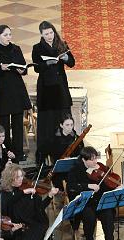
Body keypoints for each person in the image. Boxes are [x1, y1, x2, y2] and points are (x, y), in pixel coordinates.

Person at [0, 164, 61, 240]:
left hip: (32, 223)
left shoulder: (26, 190)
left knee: (43, 233)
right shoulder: (4, 194)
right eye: (18, 177)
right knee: (32, 237)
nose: (21, 179)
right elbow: (6, 207)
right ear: (9, 179)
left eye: (21, 176)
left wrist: (50, 196)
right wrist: (23, 193)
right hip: (15, 227)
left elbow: (39, 208)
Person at [65, 146, 120, 240]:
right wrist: (88, 186)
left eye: (96, 158)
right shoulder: (75, 170)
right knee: (89, 219)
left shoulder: (101, 167)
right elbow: (71, 187)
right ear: (84, 160)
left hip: (101, 201)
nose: (95, 162)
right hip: (86, 204)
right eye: (92, 159)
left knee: (109, 218)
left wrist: (116, 185)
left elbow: (108, 181)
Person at [32, 21, 75, 164]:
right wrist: (46, 64)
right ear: (41, 35)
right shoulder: (37, 48)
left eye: (51, 33)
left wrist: (66, 58)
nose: (49, 36)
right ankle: (44, 155)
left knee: (62, 117)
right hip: (46, 89)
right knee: (47, 123)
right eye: (46, 34)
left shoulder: (61, 44)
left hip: (60, 87)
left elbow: (72, 62)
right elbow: (37, 68)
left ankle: (66, 151)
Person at [0, 25, 32, 160]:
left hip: (17, 91)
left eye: (9, 35)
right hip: (3, 93)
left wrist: (21, 70)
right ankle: (6, 153)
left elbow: (24, 68)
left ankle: (18, 153)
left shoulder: (16, 49)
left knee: (18, 125)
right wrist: (1, 68)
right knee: (4, 126)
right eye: (5, 35)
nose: (8, 37)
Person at [49, 115, 84, 189]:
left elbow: (81, 153)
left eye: (71, 125)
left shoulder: (76, 138)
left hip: (74, 167)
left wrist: (74, 158)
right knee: (68, 185)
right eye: (67, 125)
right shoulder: (55, 139)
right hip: (60, 170)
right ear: (61, 125)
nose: (70, 127)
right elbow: (53, 155)